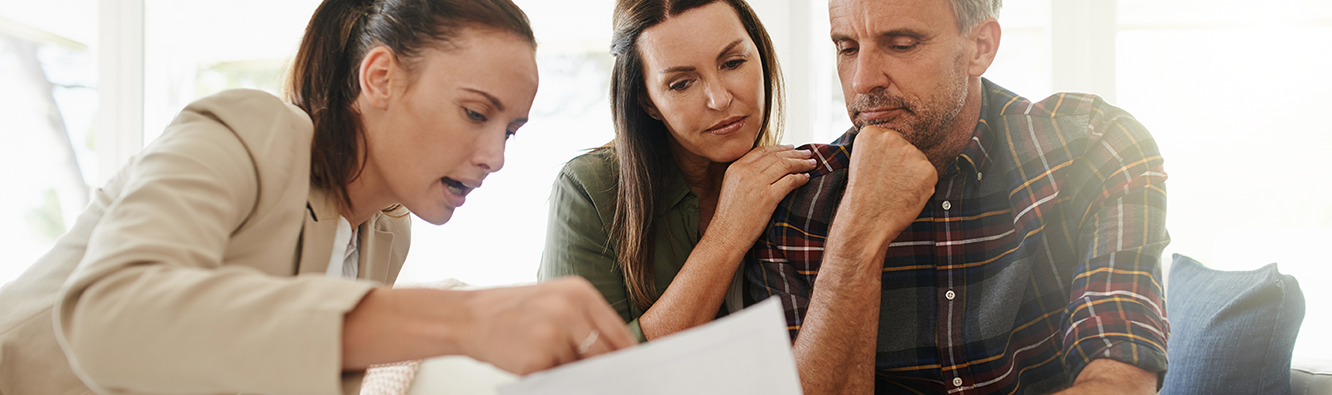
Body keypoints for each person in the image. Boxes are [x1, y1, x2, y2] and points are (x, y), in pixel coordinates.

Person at [0, 0, 634, 393]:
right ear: (379, 76)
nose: (495, 157)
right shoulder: (254, 130)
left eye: (511, 131)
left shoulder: (386, 232)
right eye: (475, 113)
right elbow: (111, 315)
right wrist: (460, 321)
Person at [746, 0, 1170, 394]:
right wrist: (856, 237)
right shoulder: (795, 201)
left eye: (900, 44)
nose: (862, 80)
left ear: (980, 48)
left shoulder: (1093, 145)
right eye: (847, 47)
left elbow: (1120, 376)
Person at [538, 0, 816, 343]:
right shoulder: (589, 189)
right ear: (648, 102)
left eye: (733, 63)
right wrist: (727, 235)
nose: (719, 99)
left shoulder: (800, 182)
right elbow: (580, 376)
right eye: (681, 83)